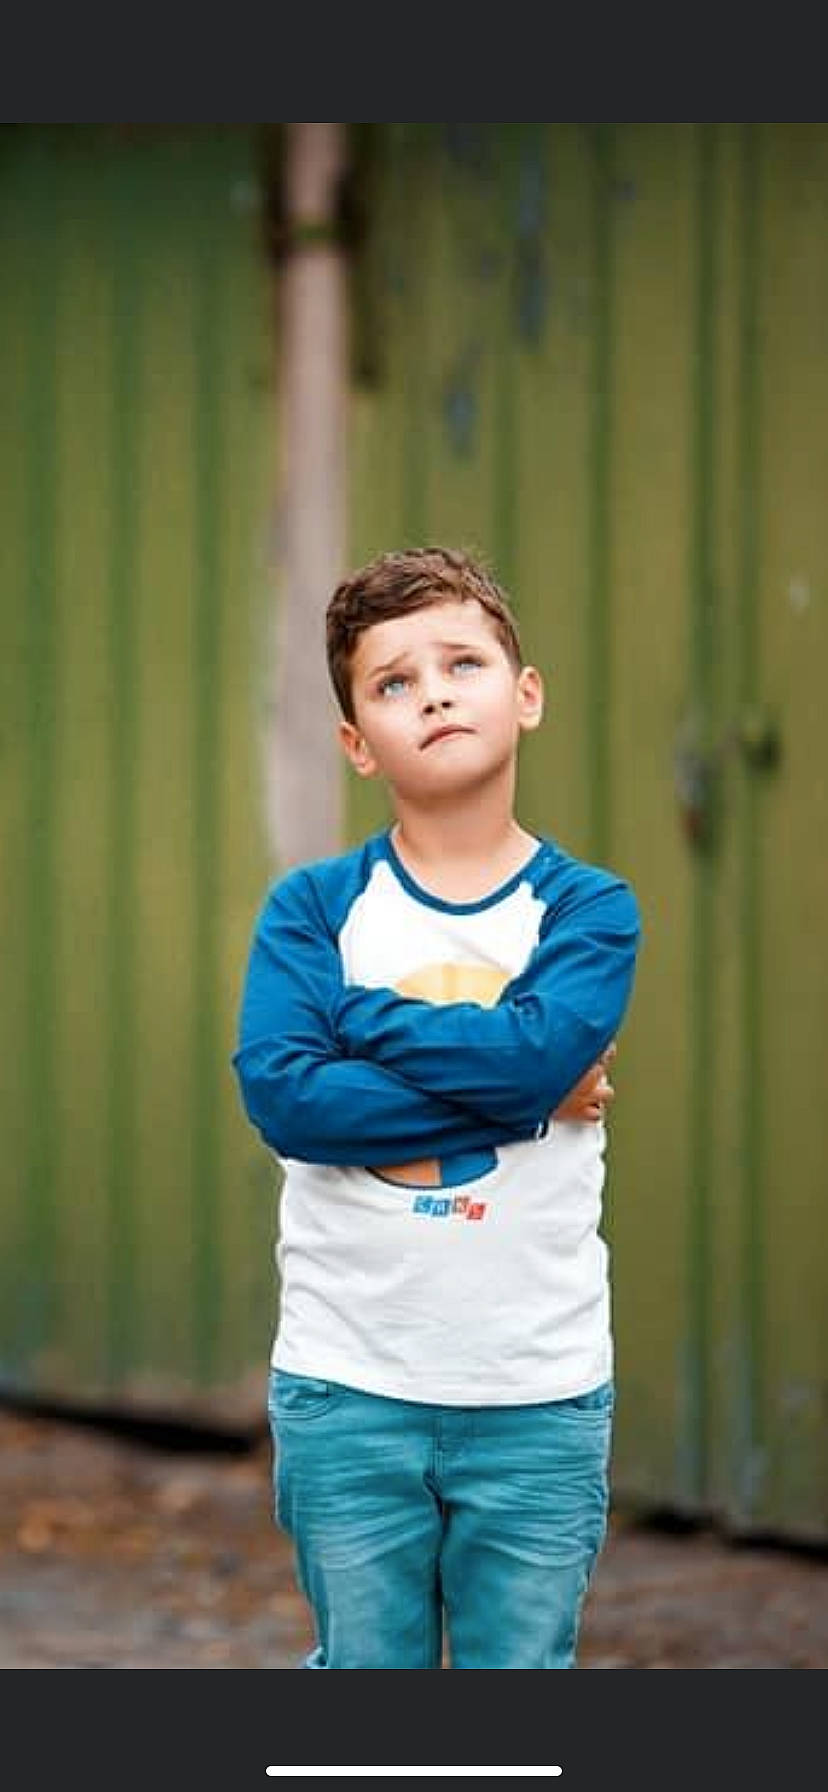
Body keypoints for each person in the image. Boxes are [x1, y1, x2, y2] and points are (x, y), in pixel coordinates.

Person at [232, 545, 641, 1670]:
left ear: (527, 693)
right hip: (349, 1382)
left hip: (537, 1390)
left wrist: (356, 1024)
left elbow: (531, 1058)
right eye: (394, 682)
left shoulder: (587, 910)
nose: (436, 692)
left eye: (462, 661)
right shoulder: (314, 909)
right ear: (359, 743)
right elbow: (285, 1096)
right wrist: (521, 1087)